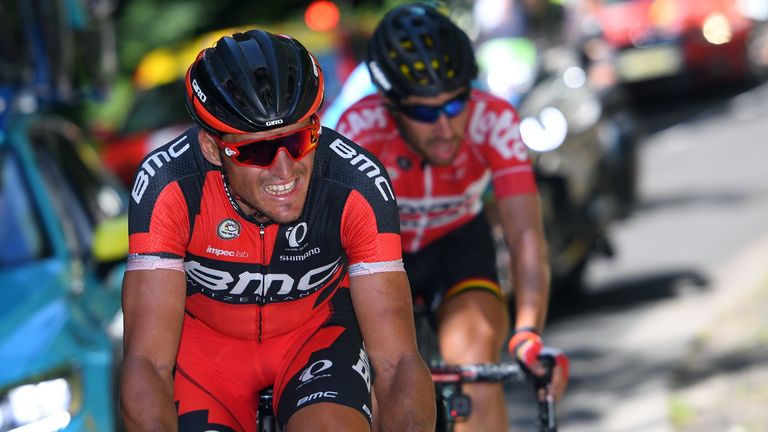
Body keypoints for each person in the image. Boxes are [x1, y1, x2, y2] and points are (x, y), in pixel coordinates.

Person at [119, 29, 435, 432]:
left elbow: (397, 361)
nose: (285, 170)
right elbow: (148, 362)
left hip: (314, 338)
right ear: (214, 148)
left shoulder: (354, 182)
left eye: (300, 140)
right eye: (258, 151)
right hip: (207, 357)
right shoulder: (171, 184)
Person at [336, 4, 568, 431]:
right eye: (424, 112)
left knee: (474, 355)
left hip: (457, 242)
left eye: (456, 102)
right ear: (390, 103)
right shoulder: (360, 128)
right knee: (372, 378)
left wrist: (528, 331)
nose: (444, 126)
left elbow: (525, 235)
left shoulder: (493, 119)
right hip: (382, 256)